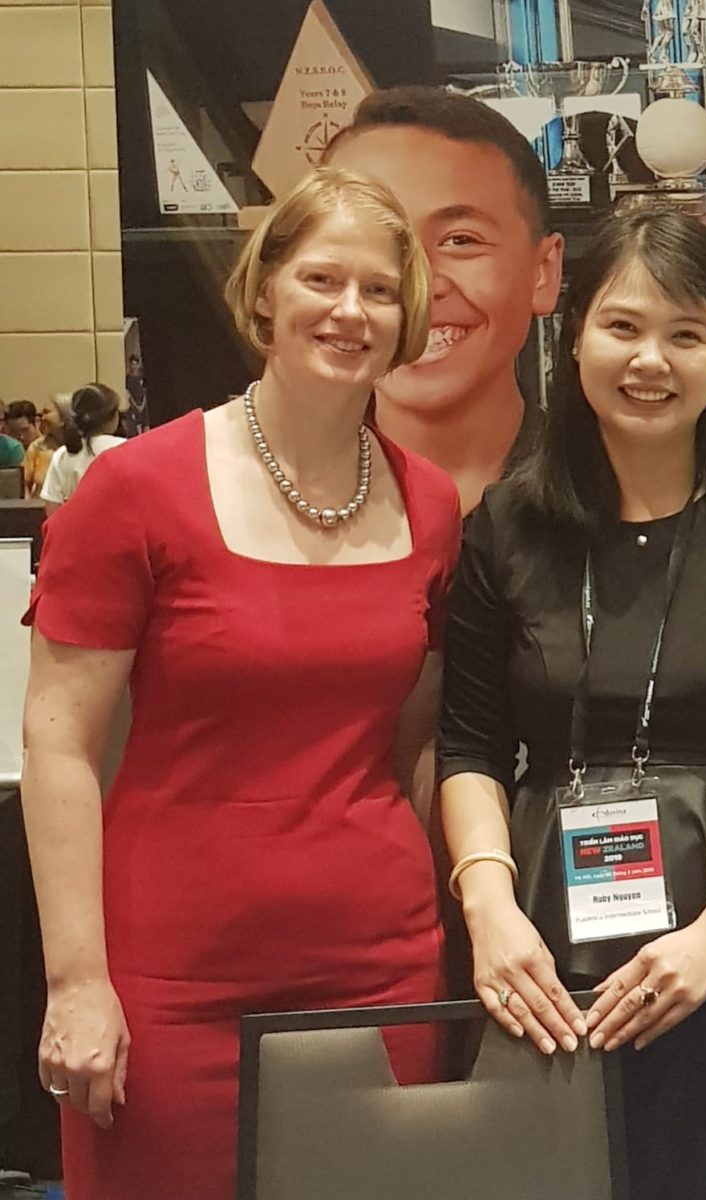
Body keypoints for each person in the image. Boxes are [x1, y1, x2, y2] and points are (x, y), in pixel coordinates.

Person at [21, 166, 460, 1200]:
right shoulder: (134, 491)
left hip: (381, 969)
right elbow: (58, 746)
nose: (350, 311)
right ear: (265, 289)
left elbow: (414, 748)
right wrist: (77, 982)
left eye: (380, 290)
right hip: (170, 982)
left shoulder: (431, 505)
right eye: (322, 278)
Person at [438, 208, 706, 1200]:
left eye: (686, 333)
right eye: (623, 326)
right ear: (575, 332)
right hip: (549, 968)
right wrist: (489, 910)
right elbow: (469, 746)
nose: (651, 360)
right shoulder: (509, 524)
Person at [325, 87, 564, 515]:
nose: (416, 282)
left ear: (543, 271)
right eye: (372, 238)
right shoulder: (249, 505)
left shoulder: (620, 503)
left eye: (460, 240)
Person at [40, 383, 123, 515]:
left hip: (73, 526)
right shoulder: (126, 448)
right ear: (113, 417)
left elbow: (52, 511)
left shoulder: (62, 454)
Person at [23, 394, 69, 498]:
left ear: (64, 416)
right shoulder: (36, 447)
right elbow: (25, 486)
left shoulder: (82, 448)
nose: (42, 418)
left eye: (46, 412)